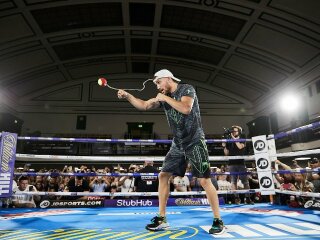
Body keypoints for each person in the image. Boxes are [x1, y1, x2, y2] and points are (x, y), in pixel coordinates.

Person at [117, 69, 225, 234]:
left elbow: (186, 108)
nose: (158, 86)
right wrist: (128, 96)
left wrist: (164, 97)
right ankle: (162, 219)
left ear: (167, 78)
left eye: (159, 82)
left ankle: (218, 220)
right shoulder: (163, 96)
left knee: (204, 181)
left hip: (195, 141)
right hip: (178, 144)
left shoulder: (186, 89)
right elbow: (145, 105)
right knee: (163, 175)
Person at [222, 125, 253, 204]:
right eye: (232, 131)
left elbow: (240, 147)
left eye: (235, 131)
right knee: (233, 182)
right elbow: (226, 153)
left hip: (241, 163)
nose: (233, 132)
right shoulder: (229, 140)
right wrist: (224, 146)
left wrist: (233, 138)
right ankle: (236, 198)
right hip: (232, 163)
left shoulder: (242, 138)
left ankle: (248, 198)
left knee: (245, 182)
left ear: (239, 132)